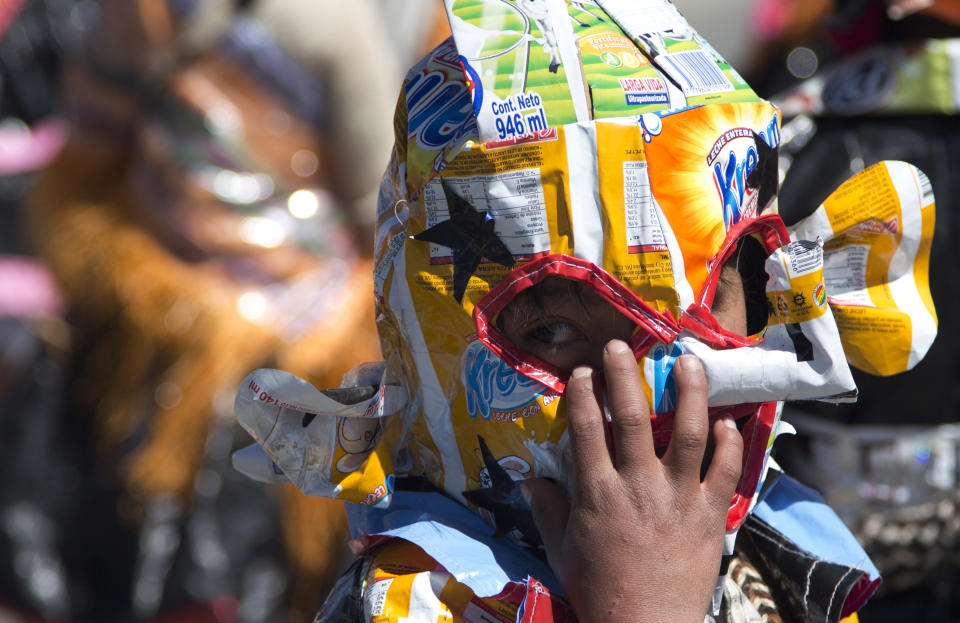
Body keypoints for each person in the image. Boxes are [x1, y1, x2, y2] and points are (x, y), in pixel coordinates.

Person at [233, 1, 936, 621]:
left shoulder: (778, 563)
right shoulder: (418, 601)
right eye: (557, 331)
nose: (651, 398)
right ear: (438, 355)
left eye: (708, 300)